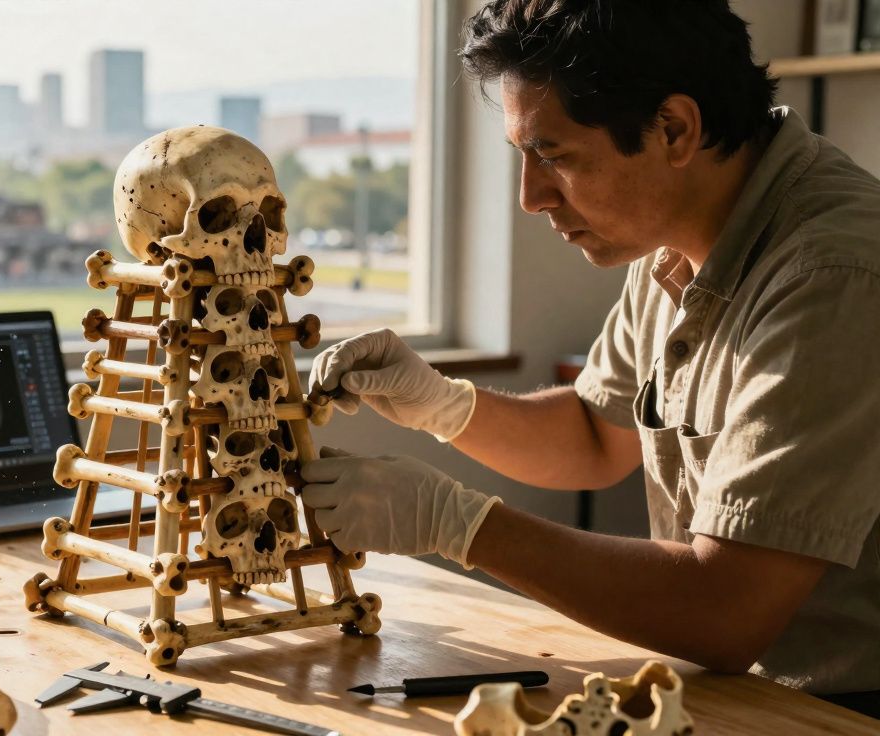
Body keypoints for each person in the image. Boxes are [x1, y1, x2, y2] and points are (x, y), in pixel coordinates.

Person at [301, 0, 880, 714]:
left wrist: (458, 525)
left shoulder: (836, 275)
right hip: (733, 688)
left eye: (554, 156)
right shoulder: (677, 235)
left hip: (844, 710)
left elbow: (727, 610)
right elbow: (594, 435)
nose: (530, 197)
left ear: (673, 129)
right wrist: (441, 403)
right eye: (523, 155)